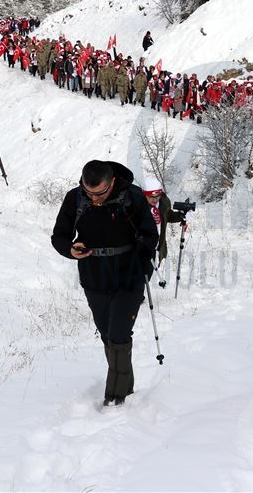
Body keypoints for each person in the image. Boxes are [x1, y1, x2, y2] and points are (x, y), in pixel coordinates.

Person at [50, 160, 159, 407]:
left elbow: (150, 234)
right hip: (94, 276)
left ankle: (115, 398)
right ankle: (126, 386)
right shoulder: (75, 198)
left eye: (99, 193)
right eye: (89, 192)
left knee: (119, 332)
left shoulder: (131, 196)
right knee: (108, 333)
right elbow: (59, 236)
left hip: (128, 273)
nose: (94, 198)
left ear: (112, 182)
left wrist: (143, 258)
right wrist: (70, 249)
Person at [141, 176, 184, 264]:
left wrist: (181, 215)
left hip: (159, 248)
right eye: (151, 197)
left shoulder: (163, 203)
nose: (155, 200)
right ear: (144, 195)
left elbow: (169, 216)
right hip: (143, 249)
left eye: (157, 196)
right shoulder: (139, 207)